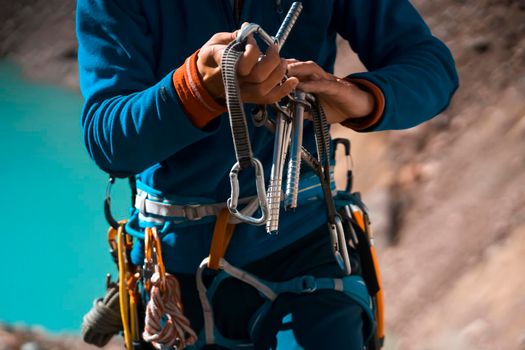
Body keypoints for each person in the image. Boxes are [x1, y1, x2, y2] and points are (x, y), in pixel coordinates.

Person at [76, 1, 458, 349]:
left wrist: (359, 98)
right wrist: (197, 88)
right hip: (176, 270)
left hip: (300, 247)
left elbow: (431, 67)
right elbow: (109, 140)